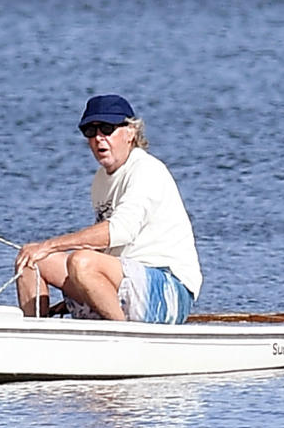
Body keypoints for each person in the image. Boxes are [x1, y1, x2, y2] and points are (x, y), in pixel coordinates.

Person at [15, 94, 203, 323]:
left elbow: (120, 231)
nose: (99, 139)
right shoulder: (100, 181)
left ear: (130, 132)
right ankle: (36, 334)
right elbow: (107, 253)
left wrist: (50, 245)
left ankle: (125, 338)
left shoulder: (147, 171)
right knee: (30, 257)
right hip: (125, 284)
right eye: (90, 132)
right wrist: (82, 291)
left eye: (107, 128)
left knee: (81, 261)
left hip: (169, 289)